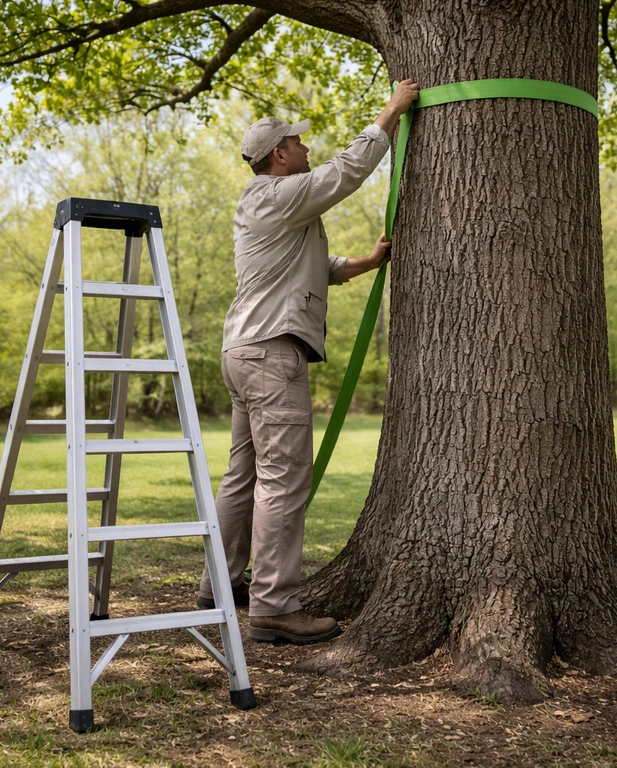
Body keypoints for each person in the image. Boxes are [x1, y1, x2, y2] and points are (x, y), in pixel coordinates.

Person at [197, 80, 421, 644]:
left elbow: (310, 266)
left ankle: (219, 585)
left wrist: (364, 263)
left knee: (243, 477)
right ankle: (273, 606)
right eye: (297, 143)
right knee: (283, 478)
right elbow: (344, 173)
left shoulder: (267, 206)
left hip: (244, 351)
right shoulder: (280, 194)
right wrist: (390, 114)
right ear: (279, 154)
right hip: (272, 355)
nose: (304, 149)